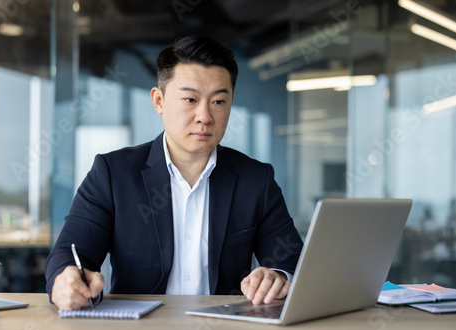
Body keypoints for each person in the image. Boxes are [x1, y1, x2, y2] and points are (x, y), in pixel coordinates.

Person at [44, 35, 303, 311]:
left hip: (223, 328)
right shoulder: (112, 174)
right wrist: (66, 279)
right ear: (159, 101)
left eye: (218, 102)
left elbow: (293, 260)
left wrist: (277, 276)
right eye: (190, 99)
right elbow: (69, 255)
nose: (205, 116)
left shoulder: (255, 179)